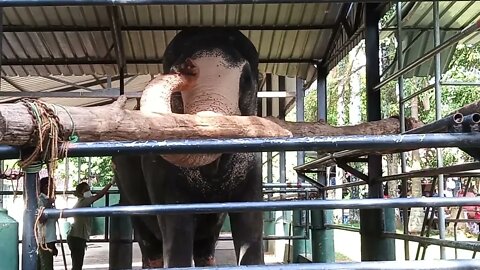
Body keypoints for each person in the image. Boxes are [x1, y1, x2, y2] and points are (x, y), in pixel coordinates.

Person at [67, 180, 114, 270]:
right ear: (81, 192)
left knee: (77, 264)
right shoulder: (83, 202)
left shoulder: (83, 202)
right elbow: (98, 196)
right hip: (77, 237)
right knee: (77, 265)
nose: (89, 192)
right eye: (86, 190)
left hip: (78, 236)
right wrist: (111, 183)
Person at [37, 177, 58, 270]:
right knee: (46, 267)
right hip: (44, 241)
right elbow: (40, 220)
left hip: (49, 240)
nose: (55, 188)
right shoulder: (41, 200)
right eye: (53, 186)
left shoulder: (47, 200)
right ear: (46, 187)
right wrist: (49, 204)